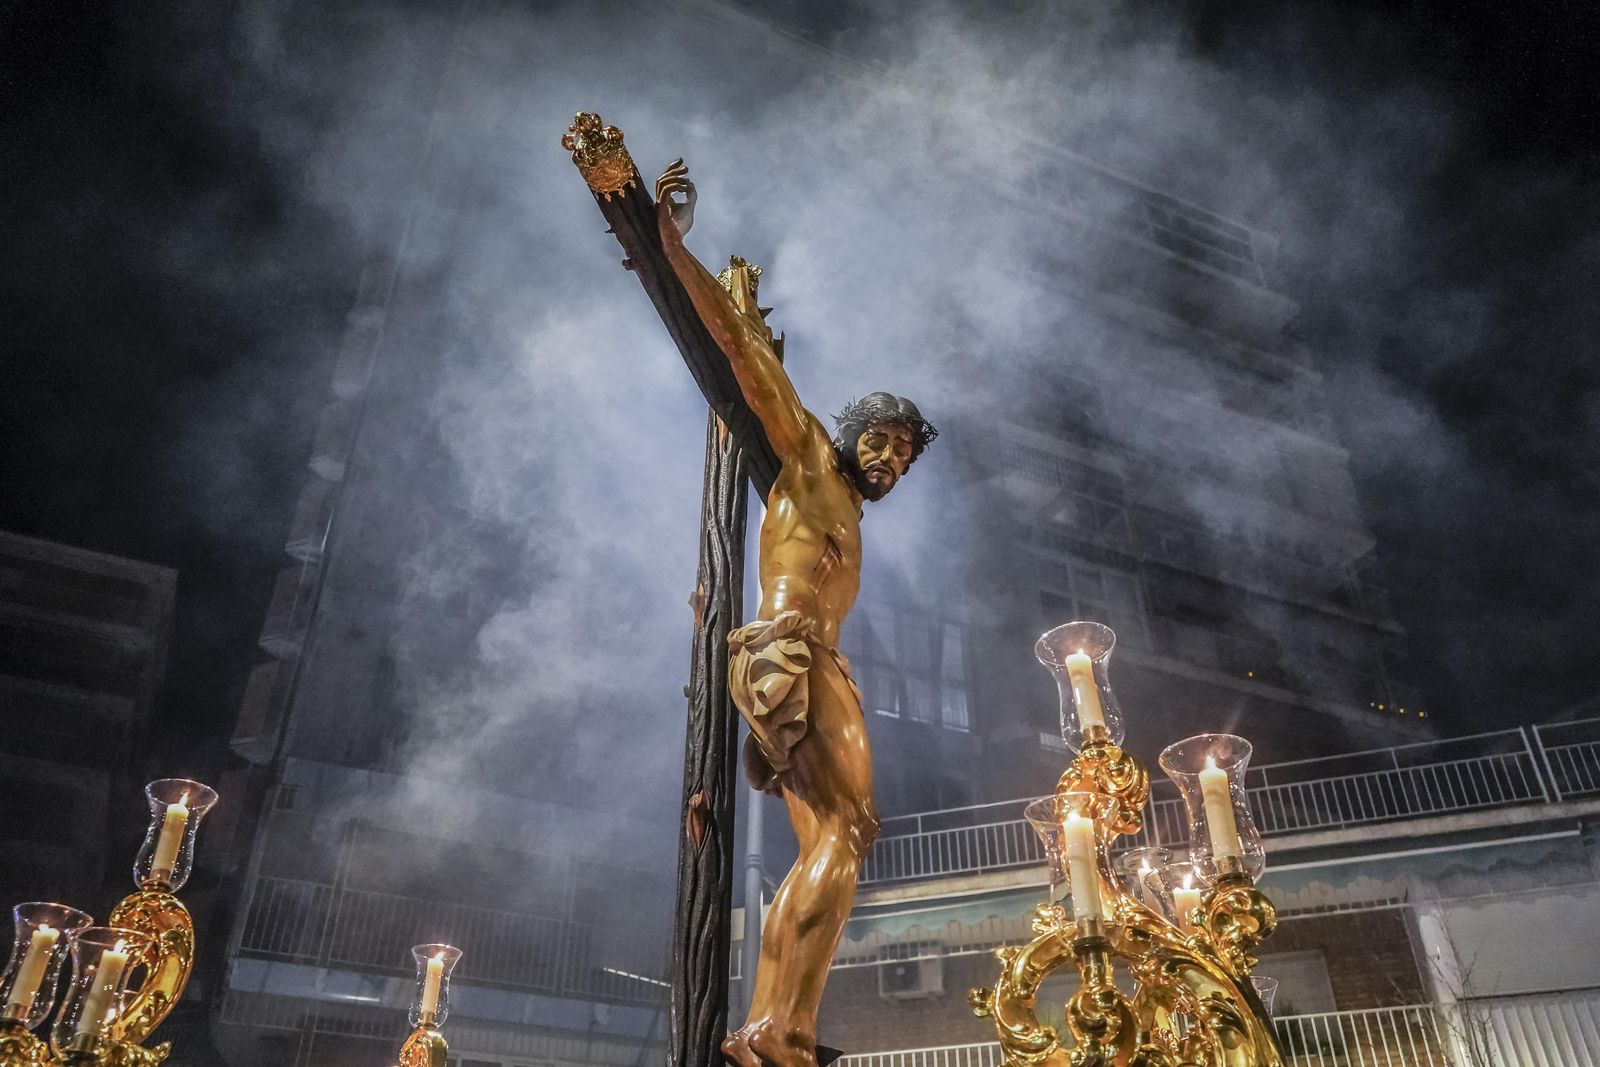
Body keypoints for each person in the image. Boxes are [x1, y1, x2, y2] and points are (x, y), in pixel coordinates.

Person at [655, 159, 937, 1067]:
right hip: (792, 653)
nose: (889, 459)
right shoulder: (811, 457)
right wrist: (671, 247)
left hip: (803, 660)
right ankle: (784, 1029)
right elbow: (743, 354)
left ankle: (771, 1027)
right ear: (851, 431)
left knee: (827, 841)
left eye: (903, 455)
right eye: (881, 439)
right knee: (850, 831)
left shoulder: (845, 505)